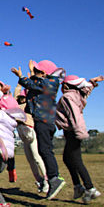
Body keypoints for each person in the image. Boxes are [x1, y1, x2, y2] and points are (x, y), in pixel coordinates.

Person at [11, 59, 66, 200]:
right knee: (44, 150)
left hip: (44, 121)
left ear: (44, 72)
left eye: (36, 71)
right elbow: (30, 94)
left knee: (45, 150)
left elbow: (30, 84)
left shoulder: (51, 83)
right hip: (43, 121)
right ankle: (53, 178)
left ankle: (54, 178)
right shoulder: (44, 84)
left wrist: (22, 76)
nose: (34, 73)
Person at [56, 74, 104, 204]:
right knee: (67, 158)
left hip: (74, 132)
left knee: (76, 161)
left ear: (65, 86)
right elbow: (86, 90)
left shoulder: (67, 97)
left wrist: (79, 133)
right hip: (73, 132)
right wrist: (92, 83)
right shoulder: (77, 95)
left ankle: (90, 188)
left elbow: (74, 116)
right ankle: (79, 187)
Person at [14, 84, 48, 193]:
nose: (22, 99)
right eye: (20, 98)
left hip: (30, 131)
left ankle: (47, 181)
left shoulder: (29, 106)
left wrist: (28, 83)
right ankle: (39, 180)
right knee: (30, 160)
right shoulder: (16, 106)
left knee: (37, 158)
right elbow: (16, 95)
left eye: (23, 97)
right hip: (22, 134)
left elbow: (31, 94)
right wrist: (19, 82)